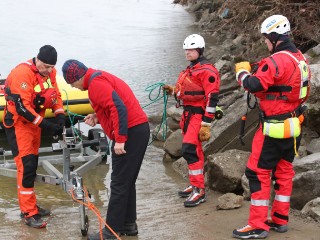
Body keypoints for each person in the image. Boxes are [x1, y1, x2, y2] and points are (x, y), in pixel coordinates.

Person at [232, 15, 311, 239]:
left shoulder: (276, 61)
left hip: (272, 127)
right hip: (294, 125)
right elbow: (286, 84)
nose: (265, 43)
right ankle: (280, 220)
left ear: (274, 37)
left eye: (266, 39)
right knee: (284, 171)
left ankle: (257, 225)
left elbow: (253, 84)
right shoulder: (300, 58)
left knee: (257, 172)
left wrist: (241, 72)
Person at [62, 59, 150, 240]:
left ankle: (110, 232)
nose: (75, 87)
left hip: (131, 133)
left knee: (118, 183)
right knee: (126, 182)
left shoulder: (95, 85)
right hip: (137, 130)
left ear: (78, 77)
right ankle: (128, 225)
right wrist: (97, 116)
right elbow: (112, 106)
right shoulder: (98, 77)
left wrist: (120, 140)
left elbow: (119, 108)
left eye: (72, 83)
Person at [3, 45, 65, 228]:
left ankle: (30, 205)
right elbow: (23, 109)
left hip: (35, 124)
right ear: (37, 59)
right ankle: (28, 213)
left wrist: (60, 116)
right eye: (45, 66)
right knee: (26, 167)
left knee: (32, 164)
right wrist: (46, 124)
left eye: (51, 67)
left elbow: (55, 96)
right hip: (19, 124)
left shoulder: (49, 73)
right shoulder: (23, 73)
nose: (48, 71)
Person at [163, 34, 221, 207]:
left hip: (197, 116)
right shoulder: (191, 69)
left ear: (199, 50)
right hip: (188, 115)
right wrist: (174, 91)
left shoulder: (207, 71)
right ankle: (196, 184)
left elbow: (212, 98)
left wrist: (206, 123)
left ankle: (199, 190)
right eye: (186, 49)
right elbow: (188, 90)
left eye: (191, 49)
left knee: (189, 150)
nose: (187, 52)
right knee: (194, 150)